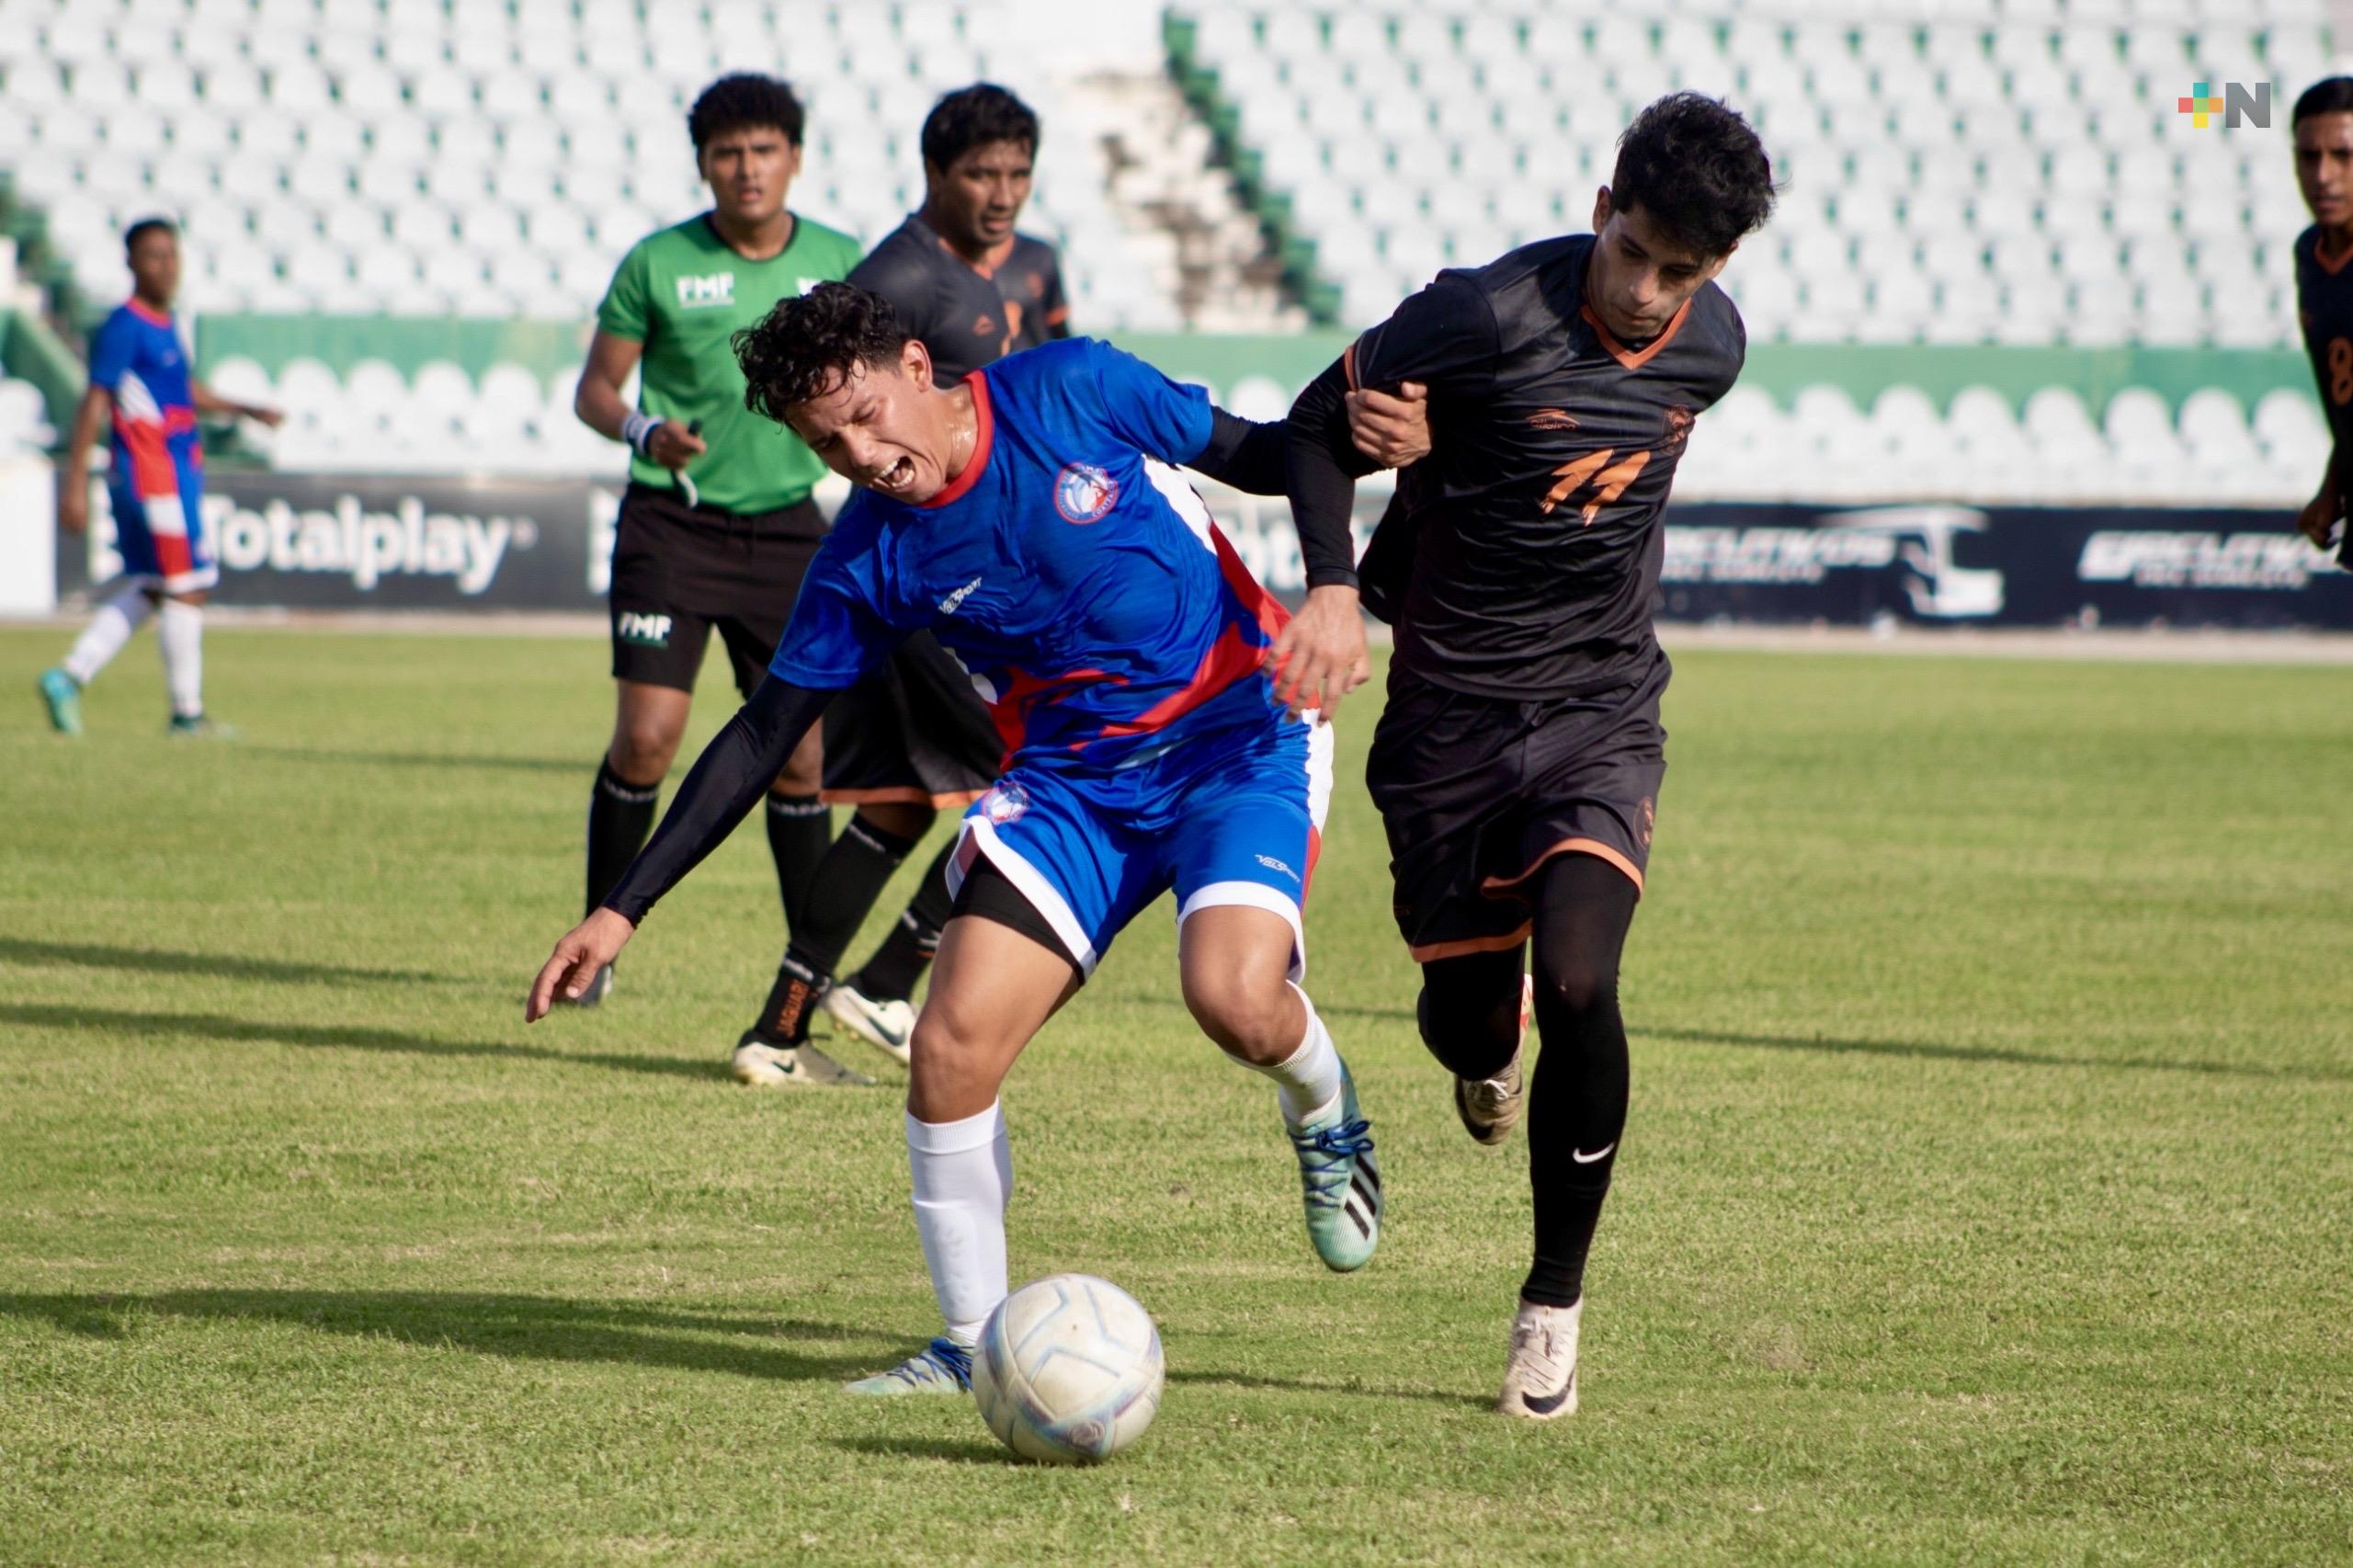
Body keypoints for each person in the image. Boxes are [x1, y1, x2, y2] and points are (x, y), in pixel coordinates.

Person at [528, 284, 1384, 1394]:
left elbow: (1272, 454)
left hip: (1239, 733)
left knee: (1233, 999)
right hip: (1071, 790)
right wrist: (619, 905)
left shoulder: (1076, 389)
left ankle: (1323, 1106)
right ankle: (974, 1344)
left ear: (920, 368)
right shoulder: (867, 557)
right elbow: (758, 737)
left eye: (868, 413)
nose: (860, 452)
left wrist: (1354, 484)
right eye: (826, 441)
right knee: (947, 1048)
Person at [1279, 93, 1776, 1419]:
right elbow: (1311, 429)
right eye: (1636, 251)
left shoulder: (1713, 348)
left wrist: (1467, 438)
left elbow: (1604, 464)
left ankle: (1551, 1302)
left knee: (1580, 978)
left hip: (1600, 710)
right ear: (1605, 197)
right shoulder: (1480, 311)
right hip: (1446, 720)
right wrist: (1335, 586)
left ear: (1717, 273)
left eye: (1683, 272)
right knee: (1463, 1024)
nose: (1648, 290)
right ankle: (1480, 1047)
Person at [742, 84, 1074, 1074]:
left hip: (1000, 562)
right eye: (980, 173)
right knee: (1041, 773)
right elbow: (837, 401)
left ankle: (779, 1031)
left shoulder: (1038, 263)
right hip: (926, 576)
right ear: (935, 174)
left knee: (892, 806)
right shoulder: (897, 277)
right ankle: (887, 982)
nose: (1002, 192)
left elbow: (1052, 392)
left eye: (1017, 172)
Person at [566, 73, 868, 1082]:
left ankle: (806, 980)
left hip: (790, 533)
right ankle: (599, 932)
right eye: (728, 152)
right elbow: (594, 388)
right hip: (672, 523)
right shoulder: (657, 260)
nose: (747, 168)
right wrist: (642, 426)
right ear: (705, 163)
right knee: (647, 739)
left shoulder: (834, 261)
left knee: (800, 760)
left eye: (764, 149)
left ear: (793, 157)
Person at [38, 218, 281, 737]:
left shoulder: (163, 322)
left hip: (167, 472)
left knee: (153, 586)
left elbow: (180, 389)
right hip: (153, 476)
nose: (167, 266)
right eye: (154, 256)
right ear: (130, 263)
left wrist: (243, 408)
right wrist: (75, 480)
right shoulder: (124, 325)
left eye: (172, 255)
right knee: (189, 586)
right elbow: (94, 399)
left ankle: (68, 676)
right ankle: (185, 714)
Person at [2290, 75, 2353, 563]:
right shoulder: (2310, 255)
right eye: (2309, 157)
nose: (2324, 175)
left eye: (2344, 157)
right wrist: (2334, 487)